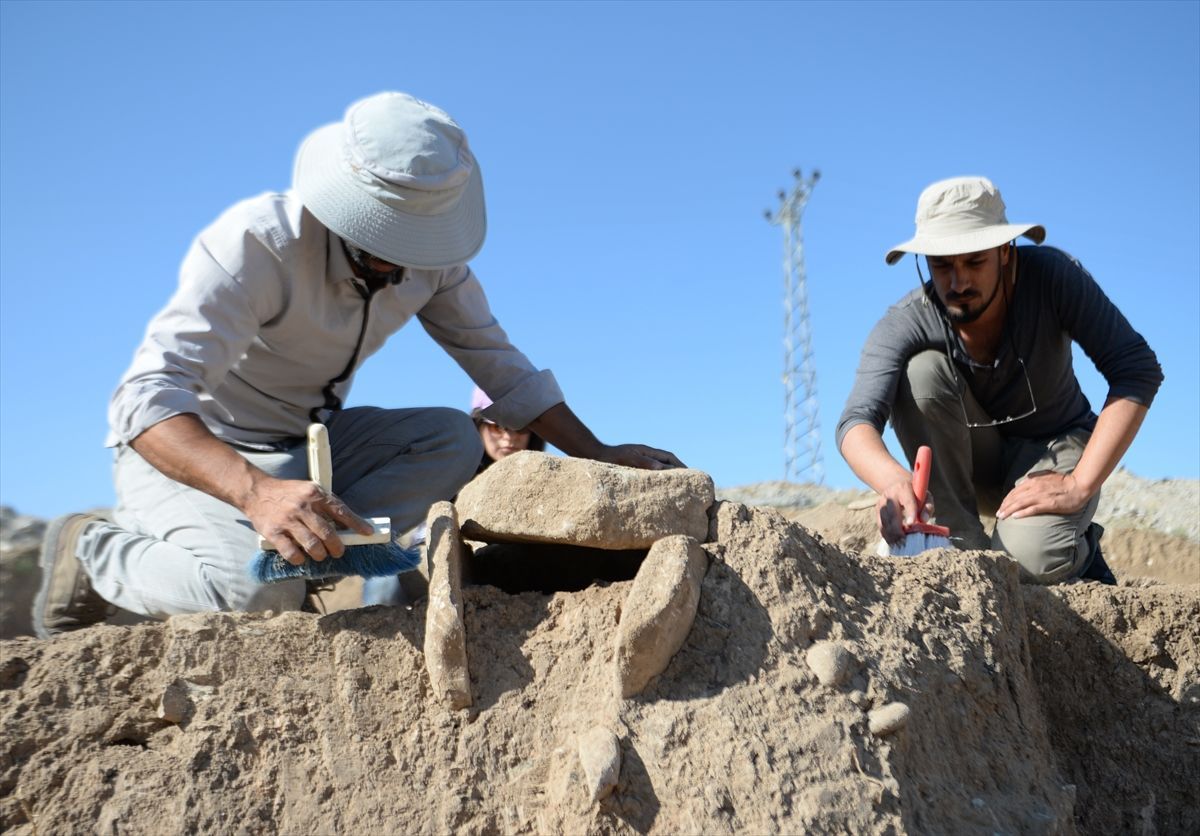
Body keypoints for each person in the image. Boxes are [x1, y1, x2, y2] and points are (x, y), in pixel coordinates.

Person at [34, 92, 682, 637]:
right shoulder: (255, 245)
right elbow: (144, 403)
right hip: (198, 455)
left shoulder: (432, 261)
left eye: (413, 248)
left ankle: (307, 554)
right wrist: (255, 494)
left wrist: (598, 452)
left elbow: (500, 366)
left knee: (452, 438)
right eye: (383, 248)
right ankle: (92, 549)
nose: (401, 267)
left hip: (306, 449)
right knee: (255, 592)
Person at [837, 176, 1162, 584]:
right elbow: (855, 423)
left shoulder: (1052, 279)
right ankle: (959, 543)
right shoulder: (909, 319)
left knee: (1027, 562)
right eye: (942, 265)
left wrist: (1079, 484)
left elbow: (1137, 370)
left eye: (974, 262)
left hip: (1056, 449)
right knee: (918, 371)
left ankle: (1077, 548)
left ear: (1005, 252)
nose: (958, 284)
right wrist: (893, 481)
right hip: (976, 463)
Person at [360, 386, 543, 607]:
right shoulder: (451, 464)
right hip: (437, 556)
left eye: (519, 428)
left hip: (505, 572)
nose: (508, 437)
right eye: (497, 426)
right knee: (386, 580)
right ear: (478, 426)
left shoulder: (541, 480)